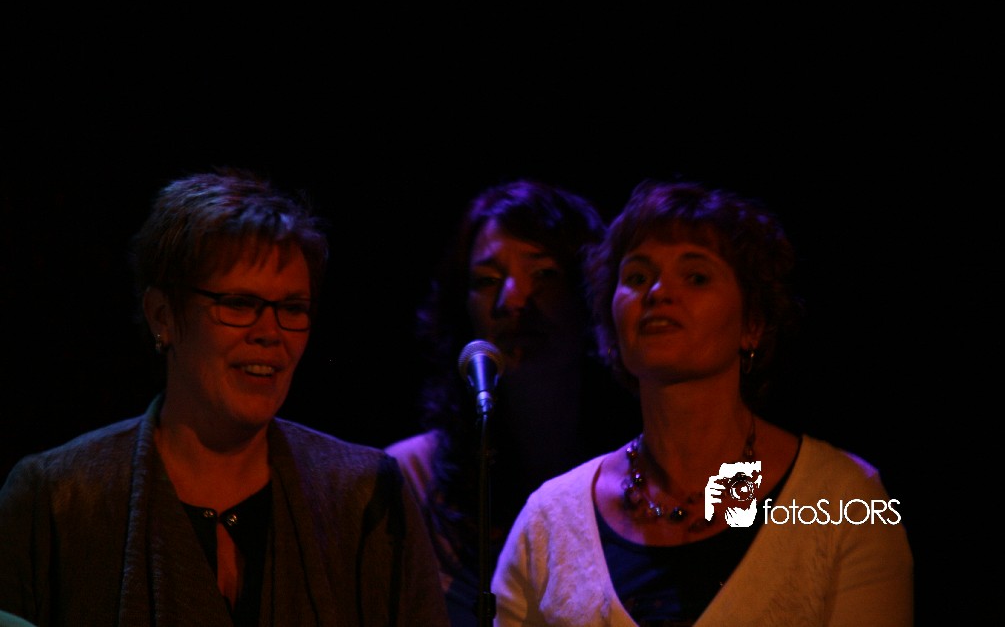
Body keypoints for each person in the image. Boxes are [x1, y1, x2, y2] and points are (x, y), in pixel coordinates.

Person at [0, 169, 450, 626]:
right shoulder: (55, 499)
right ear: (162, 315)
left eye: (292, 308)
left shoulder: (368, 499)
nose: (270, 333)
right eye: (239, 304)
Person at [491, 179, 914, 626]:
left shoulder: (845, 501)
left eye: (695, 277)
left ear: (752, 324)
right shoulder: (549, 520)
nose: (658, 292)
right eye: (637, 277)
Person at [385, 179, 641, 626]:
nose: (512, 300)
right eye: (487, 281)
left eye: (543, 274)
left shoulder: (639, 466)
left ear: (592, 293)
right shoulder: (410, 478)